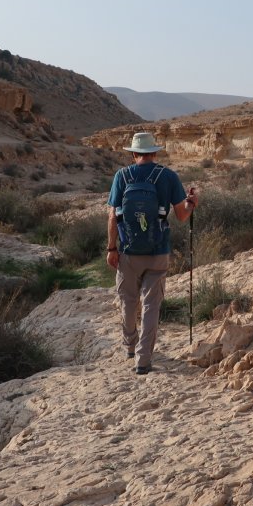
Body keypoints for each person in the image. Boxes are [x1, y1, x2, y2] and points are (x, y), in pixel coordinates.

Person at [106, 132, 198, 375]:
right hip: (158, 252)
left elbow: (112, 216)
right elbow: (181, 216)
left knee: (127, 301)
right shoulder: (167, 176)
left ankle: (129, 345)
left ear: (134, 154)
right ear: (154, 152)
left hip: (127, 251)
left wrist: (111, 248)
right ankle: (143, 360)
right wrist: (191, 203)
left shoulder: (121, 176)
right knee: (150, 305)